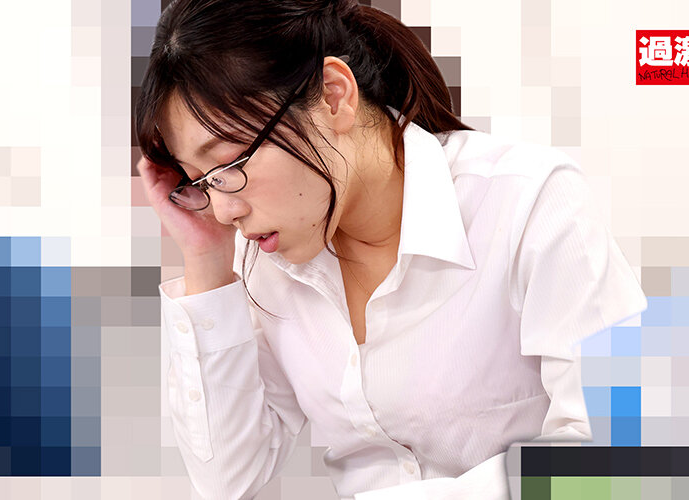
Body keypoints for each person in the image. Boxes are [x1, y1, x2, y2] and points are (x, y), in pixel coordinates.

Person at [134, 1, 648, 499]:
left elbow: (614, 453)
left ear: (334, 96)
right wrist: (205, 258)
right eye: (201, 181)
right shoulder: (271, 259)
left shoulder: (529, 201)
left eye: (228, 164)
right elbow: (229, 482)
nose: (224, 211)